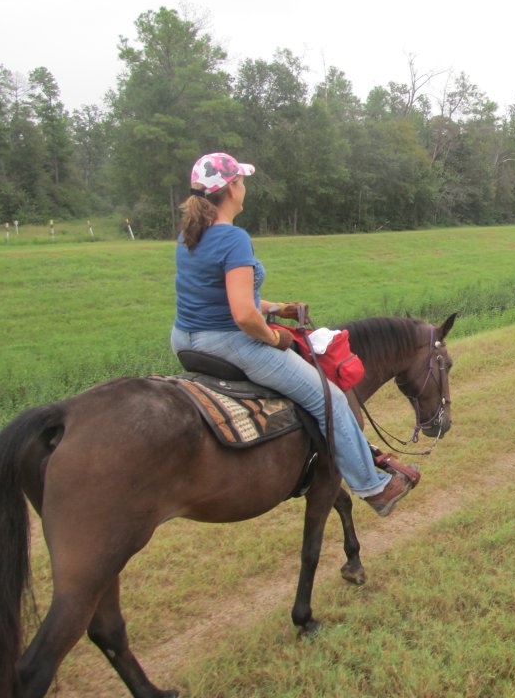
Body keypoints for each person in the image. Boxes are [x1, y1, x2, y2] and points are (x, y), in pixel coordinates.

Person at [171, 152, 413, 516]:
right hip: (230, 342)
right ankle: (375, 487)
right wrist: (273, 336)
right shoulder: (233, 238)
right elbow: (240, 315)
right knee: (329, 399)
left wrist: (273, 308)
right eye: (241, 181)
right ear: (231, 189)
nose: (245, 187)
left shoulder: (190, 235)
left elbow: (221, 294)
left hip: (186, 339)